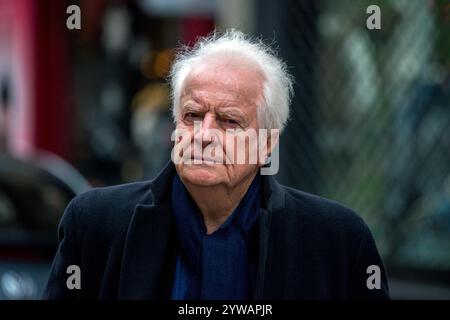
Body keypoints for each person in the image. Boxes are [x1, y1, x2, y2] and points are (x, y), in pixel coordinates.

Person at [43, 30, 389, 300]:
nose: (204, 135)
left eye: (229, 121)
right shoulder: (97, 223)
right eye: (192, 116)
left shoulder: (336, 240)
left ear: (267, 143)